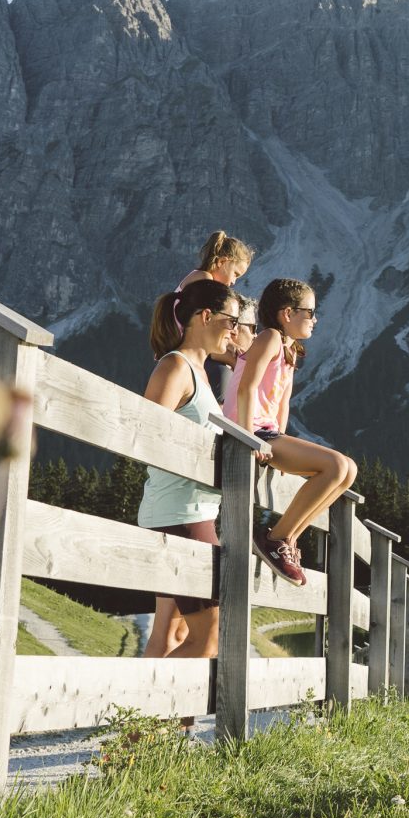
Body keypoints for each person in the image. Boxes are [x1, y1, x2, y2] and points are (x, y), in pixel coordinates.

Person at [135, 279, 264, 658]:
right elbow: (143, 435)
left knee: (169, 634)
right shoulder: (175, 367)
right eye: (231, 321)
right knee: (211, 635)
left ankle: (156, 719)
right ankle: (148, 713)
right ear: (205, 316)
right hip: (181, 516)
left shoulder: (199, 371)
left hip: (184, 512)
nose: (236, 331)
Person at [230, 277, 357, 587]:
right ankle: (275, 538)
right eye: (309, 312)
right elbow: (246, 388)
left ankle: (289, 539)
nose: (315, 319)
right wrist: (248, 438)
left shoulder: (290, 350)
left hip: (268, 433)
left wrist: (283, 445)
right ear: (287, 313)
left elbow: (282, 405)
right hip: (249, 429)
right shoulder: (270, 338)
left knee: (349, 471)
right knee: (337, 465)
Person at [153, 230, 253, 401]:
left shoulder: (198, 275)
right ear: (222, 262)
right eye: (235, 273)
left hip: (183, 344)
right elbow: (203, 325)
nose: (234, 282)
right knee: (236, 364)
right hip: (185, 344)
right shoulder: (204, 279)